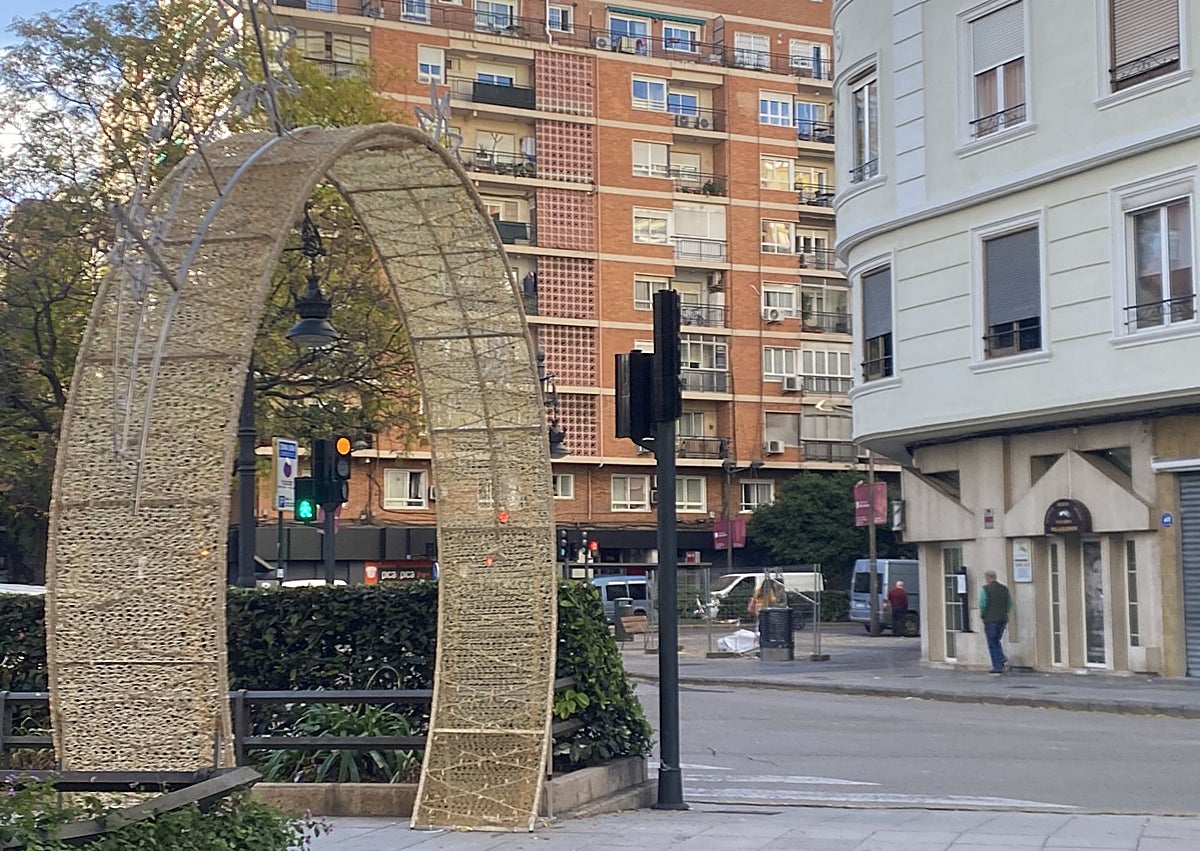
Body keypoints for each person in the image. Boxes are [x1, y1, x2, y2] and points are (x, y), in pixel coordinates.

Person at [978, 570, 1013, 673]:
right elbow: (1009, 603)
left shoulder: (986, 589)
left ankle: (998, 666)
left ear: (987, 578)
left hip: (990, 619)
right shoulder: (1004, 589)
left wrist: (982, 614)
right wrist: (1004, 612)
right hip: (1002, 619)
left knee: (992, 642)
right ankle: (1002, 659)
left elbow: (982, 603)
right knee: (996, 640)